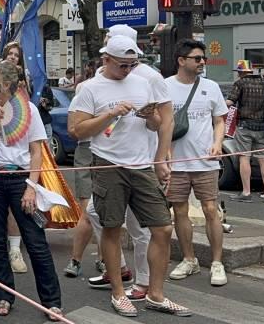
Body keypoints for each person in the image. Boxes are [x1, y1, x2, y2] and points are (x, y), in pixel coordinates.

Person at [69, 35, 190, 317]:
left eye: (132, 64)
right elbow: (76, 131)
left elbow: (156, 124)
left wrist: (150, 116)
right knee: (112, 228)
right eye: (122, 65)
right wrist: (109, 114)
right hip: (108, 164)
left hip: (141, 165)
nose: (128, 70)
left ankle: (155, 294)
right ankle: (119, 293)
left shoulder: (142, 82)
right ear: (106, 59)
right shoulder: (89, 88)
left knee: (162, 228)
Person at [0, 61, 62, 320]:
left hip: (21, 179)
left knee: (35, 241)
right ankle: (3, 296)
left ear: (5, 83)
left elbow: (37, 153)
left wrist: (31, 187)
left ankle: (52, 301)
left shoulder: (30, 110)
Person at [165, 40, 229, 287]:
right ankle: (189, 259)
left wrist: (217, 143)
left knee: (211, 210)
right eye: (197, 58)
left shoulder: (211, 87)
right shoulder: (165, 87)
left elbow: (220, 121)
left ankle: (216, 262)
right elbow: (160, 123)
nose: (202, 62)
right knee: (179, 211)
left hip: (206, 161)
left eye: (204, 59)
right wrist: (164, 151)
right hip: (177, 162)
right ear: (181, 61)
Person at [226, 59, 264, 202]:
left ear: (242, 72)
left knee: (244, 157)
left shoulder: (240, 83)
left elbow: (230, 102)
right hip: (262, 127)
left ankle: (246, 192)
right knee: (263, 159)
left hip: (244, 126)